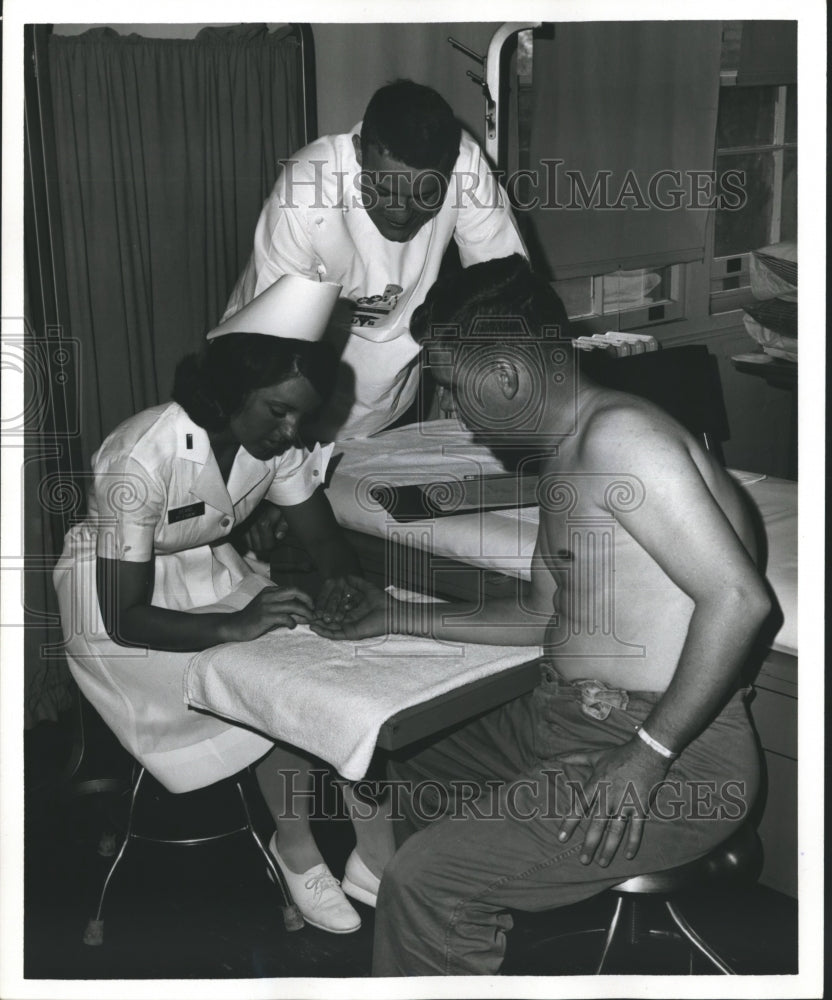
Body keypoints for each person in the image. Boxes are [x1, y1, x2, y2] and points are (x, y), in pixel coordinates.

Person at [312, 255, 772, 974]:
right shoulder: (565, 454)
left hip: (679, 756)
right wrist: (395, 616)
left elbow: (740, 601)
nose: (455, 413)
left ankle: (437, 908)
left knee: (429, 882)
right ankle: (454, 931)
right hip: (564, 719)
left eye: (453, 389)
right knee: (399, 754)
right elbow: (541, 614)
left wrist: (647, 755)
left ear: (505, 375)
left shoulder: (623, 439)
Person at [53, 276, 395, 936]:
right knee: (264, 680)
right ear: (232, 390)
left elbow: (324, 540)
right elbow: (126, 617)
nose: (291, 431)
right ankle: (296, 849)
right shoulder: (139, 458)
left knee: (334, 666)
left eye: (301, 416)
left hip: (209, 576)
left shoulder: (278, 441)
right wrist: (236, 626)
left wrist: (344, 583)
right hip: (116, 608)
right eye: (278, 412)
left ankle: (377, 857)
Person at [223, 78, 527, 444]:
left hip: (385, 401)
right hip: (270, 380)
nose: (400, 213)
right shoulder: (306, 194)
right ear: (358, 153)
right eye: (383, 190)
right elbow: (271, 351)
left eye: (423, 196)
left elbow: (506, 293)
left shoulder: (466, 168)